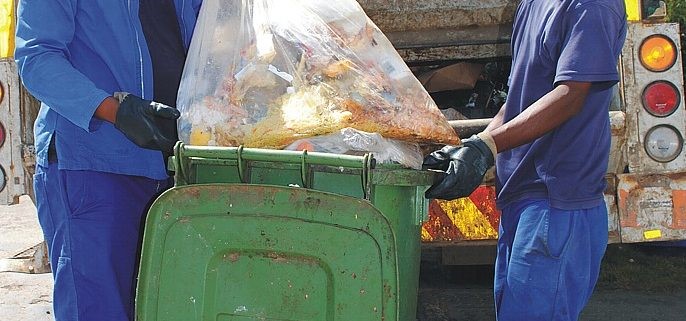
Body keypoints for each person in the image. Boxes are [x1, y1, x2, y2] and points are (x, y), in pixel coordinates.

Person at [423, 0, 627, 320]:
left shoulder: (591, 5)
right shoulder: (532, 4)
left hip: (557, 202)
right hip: (523, 197)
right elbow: (518, 102)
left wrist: (487, 147)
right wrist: (476, 146)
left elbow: (571, 95)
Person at [15, 0, 202, 320]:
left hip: (177, 165)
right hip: (93, 170)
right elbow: (37, 57)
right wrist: (115, 110)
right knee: (99, 310)